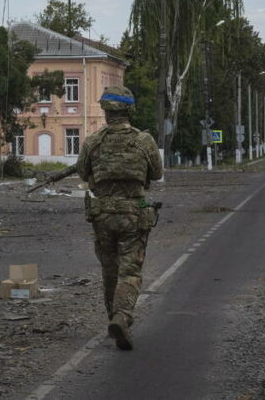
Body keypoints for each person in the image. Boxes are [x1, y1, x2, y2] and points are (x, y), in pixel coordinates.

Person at [33, 85, 162, 350]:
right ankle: (122, 317)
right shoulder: (144, 141)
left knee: (109, 271)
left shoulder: (92, 141)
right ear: (130, 110)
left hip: (102, 214)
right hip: (132, 214)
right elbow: (157, 173)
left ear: (104, 111)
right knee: (130, 271)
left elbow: (82, 173)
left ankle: (112, 319)